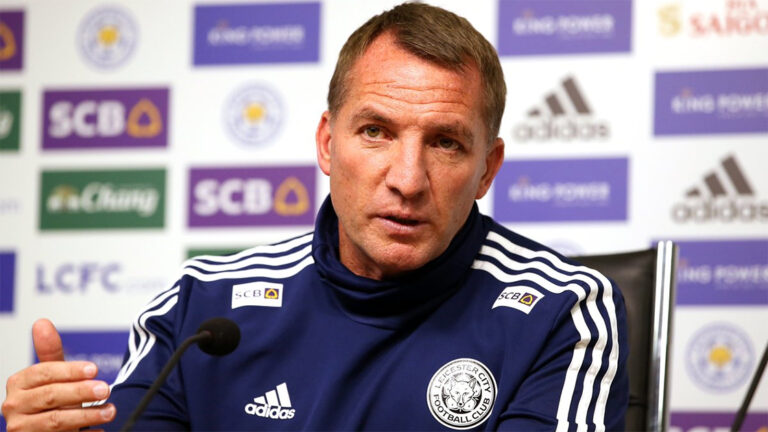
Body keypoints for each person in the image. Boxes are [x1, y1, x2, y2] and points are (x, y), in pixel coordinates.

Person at [2, 2, 628, 430]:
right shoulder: (202, 306)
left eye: (445, 143)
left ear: (488, 168)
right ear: (328, 144)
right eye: (376, 132)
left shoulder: (562, 310)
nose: (408, 180)